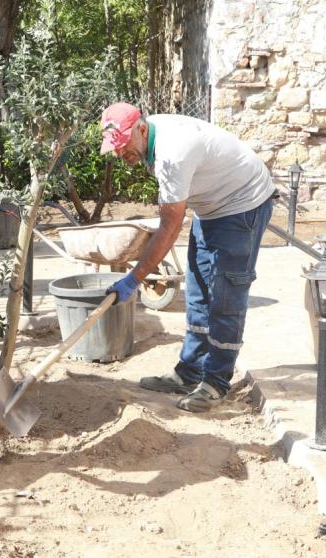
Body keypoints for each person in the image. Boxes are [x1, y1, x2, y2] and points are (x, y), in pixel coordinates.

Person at [100, 102, 274, 413]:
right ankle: (190, 372)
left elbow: (170, 226)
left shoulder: (173, 153)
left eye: (123, 144)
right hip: (210, 207)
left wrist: (134, 279)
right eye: (115, 147)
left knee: (225, 297)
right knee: (198, 292)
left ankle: (216, 382)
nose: (119, 153)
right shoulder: (152, 136)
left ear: (141, 130)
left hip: (242, 205)